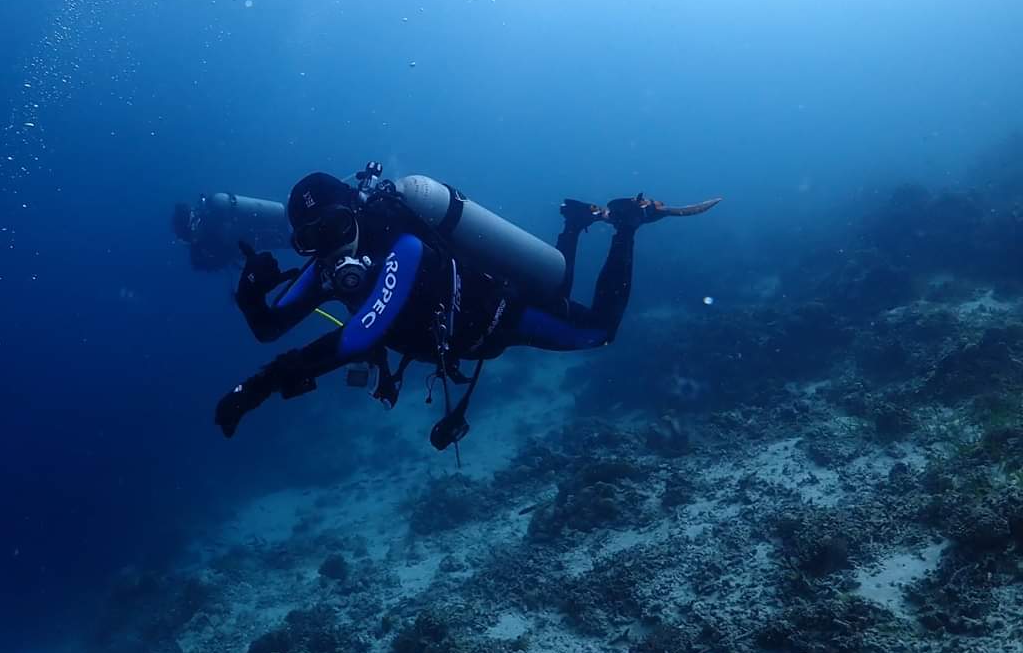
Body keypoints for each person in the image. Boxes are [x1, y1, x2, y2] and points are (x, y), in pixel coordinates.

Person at [214, 169, 718, 451]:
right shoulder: (326, 265)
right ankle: (574, 225)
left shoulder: (402, 245)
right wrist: (250, 296)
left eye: (334, 227)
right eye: (309, 241)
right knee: (559, 286)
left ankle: (625, 226)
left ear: (357, 212)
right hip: (458, 335)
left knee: (596, 332)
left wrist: (258, 387)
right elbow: (269, 328)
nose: (328, 247)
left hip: (497, 317)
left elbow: (360, 338)